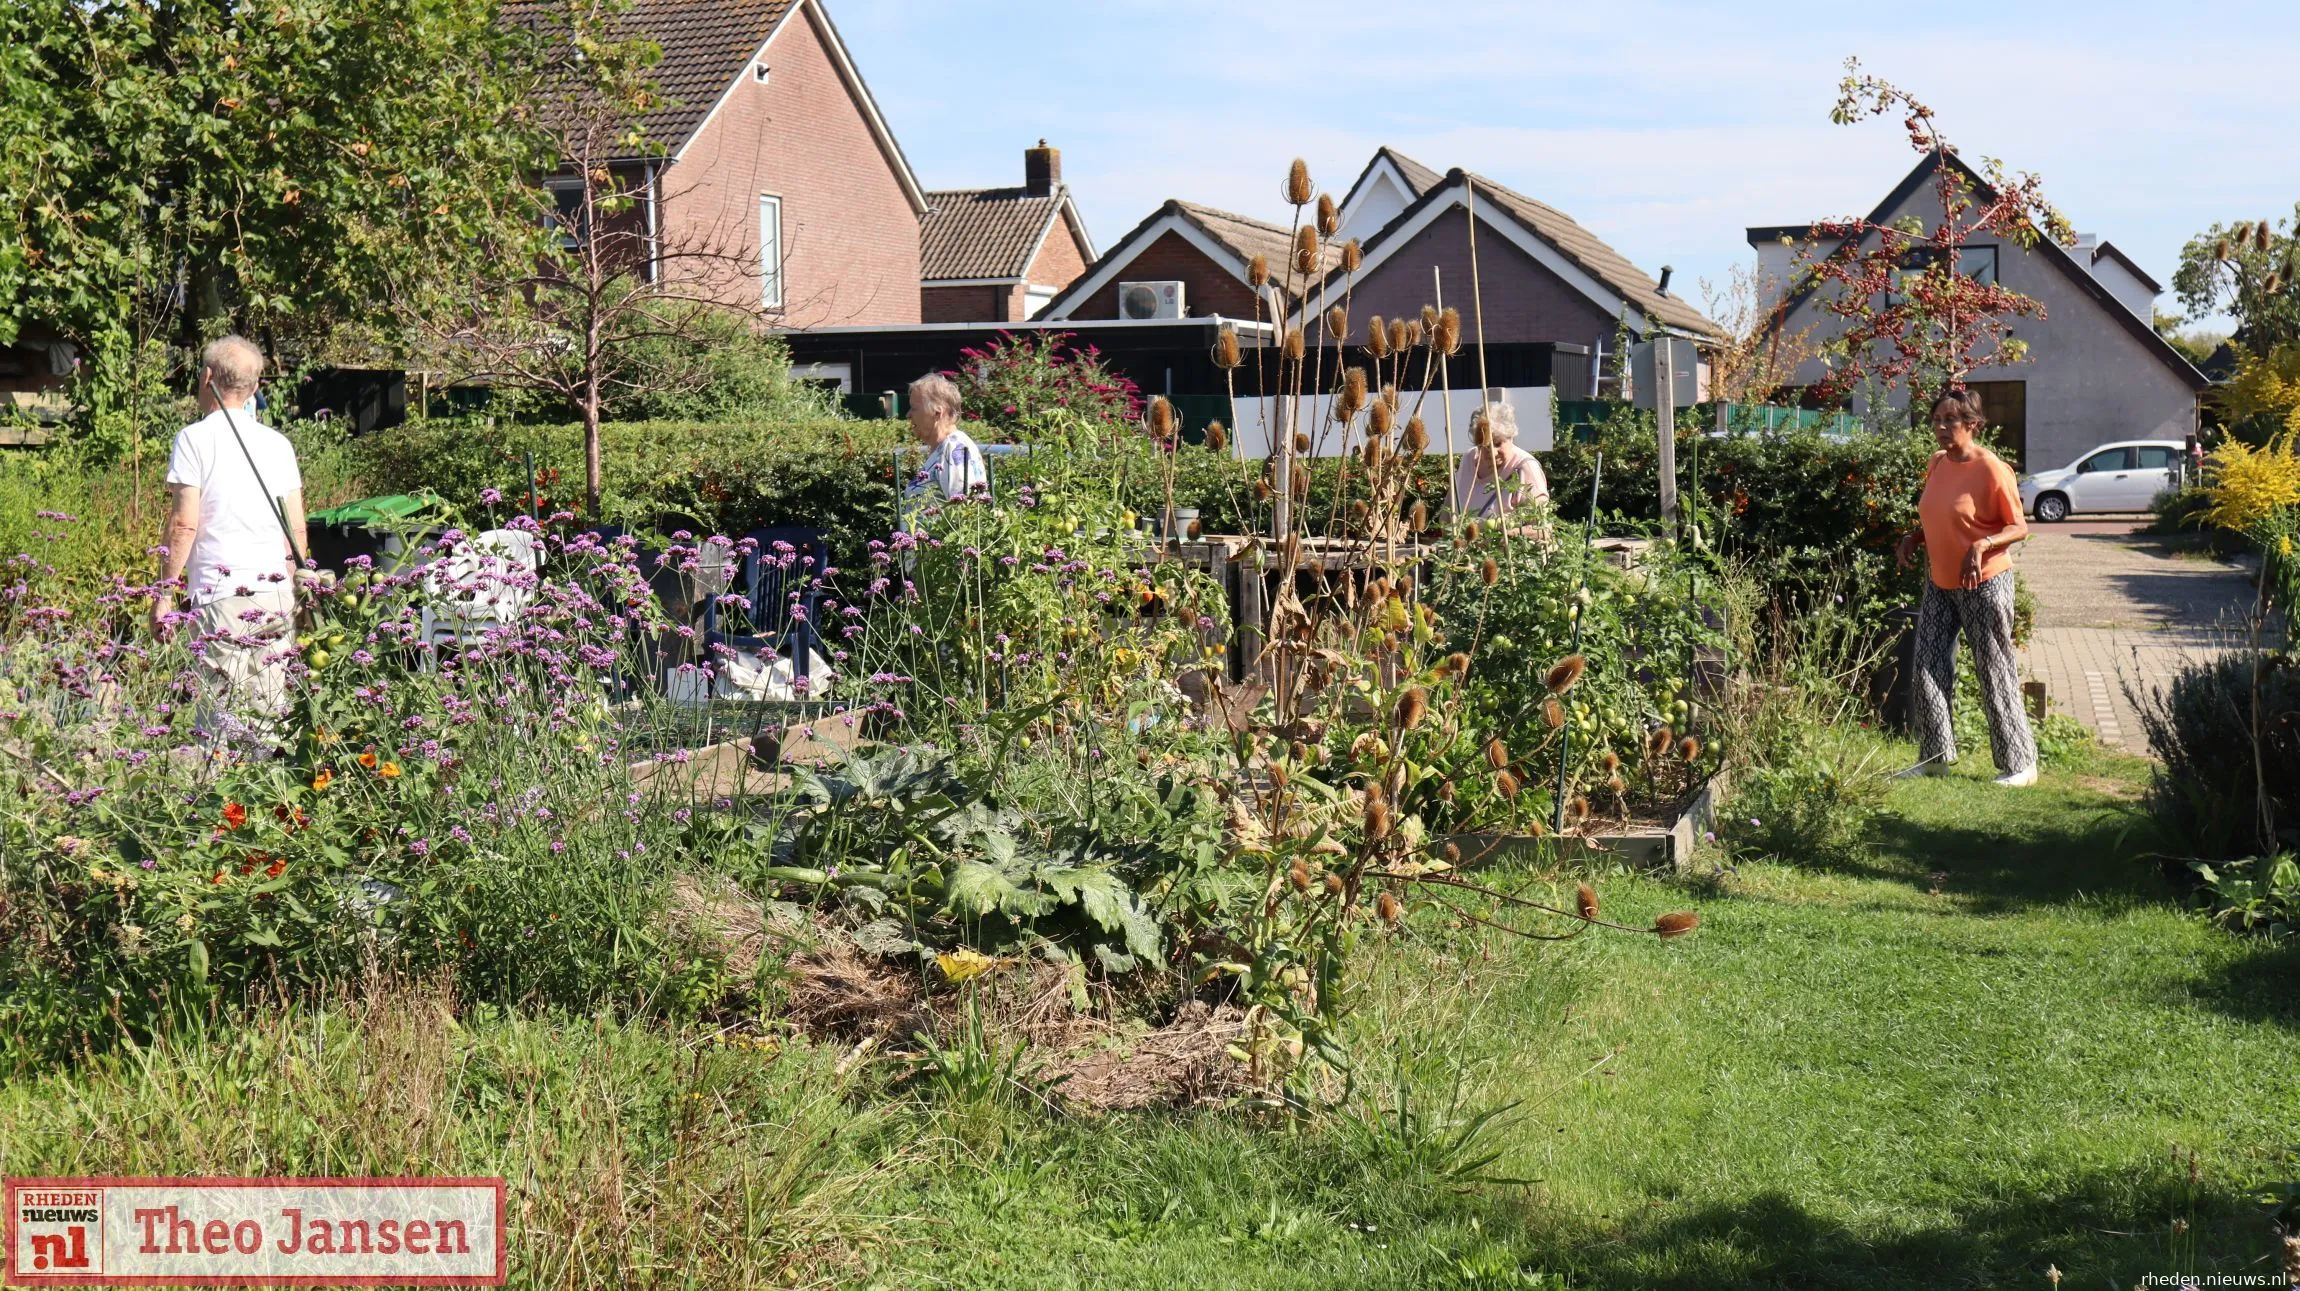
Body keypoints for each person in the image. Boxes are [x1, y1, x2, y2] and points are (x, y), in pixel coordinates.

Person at [152, 336, 308, 742]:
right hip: (275, 595)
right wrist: (297, 591)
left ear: (206, 378)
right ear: (255, 387)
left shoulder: (194, 439)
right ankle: (269, 801)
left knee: (221, 723)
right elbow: (296, 531)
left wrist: (164, 595)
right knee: (268, 720)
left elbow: (184, 524)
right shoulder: (279, 445)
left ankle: (226, 802)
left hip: (222, 596)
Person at [1895, 387, 2037, 787]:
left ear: (1972, 425)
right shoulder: (1938, 462)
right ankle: (1936, 757)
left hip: (1984, 582)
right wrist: (1913, 537)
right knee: (1926, 666)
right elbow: (1938, 514)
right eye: (1937, 420)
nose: (1941, 428)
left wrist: (1982, 544)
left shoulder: (1991, 468)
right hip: (1940, 581)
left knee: (1994, 670)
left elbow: (2018, 527)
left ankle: (2021, 765)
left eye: (1950, 421)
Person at [902, 372, 987, 521]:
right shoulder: (943, 448)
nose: (908, 415)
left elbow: (964, 515)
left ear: (936, 412)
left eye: (914, 408)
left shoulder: (955, 448)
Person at [1451, 390, 1549, 520]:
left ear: (1511, 437)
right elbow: (1447, 514)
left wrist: (1494, 530)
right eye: (1484, 445)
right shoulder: (1469, 459)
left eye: (1497, 444)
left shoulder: (1525, 468)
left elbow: (1540, 528)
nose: (1491, 452)